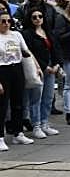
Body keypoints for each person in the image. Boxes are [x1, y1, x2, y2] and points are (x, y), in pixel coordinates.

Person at [21, 9, 60, 139]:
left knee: (48, 97)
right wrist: (44, 66)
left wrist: (57, 64)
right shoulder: (27, 34)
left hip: (51, 68)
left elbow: (55, 49)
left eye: (40, 16)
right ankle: (36, 125)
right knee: (36, 98)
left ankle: (45, 123)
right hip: (37, 69)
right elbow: (30, 52)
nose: (38, 19)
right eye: (34, 17)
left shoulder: (48, 32)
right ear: (30, 19)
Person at [0, 11, 35, 150]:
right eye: (3, 21)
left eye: (9, 21)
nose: (6, 24)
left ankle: (18, 133)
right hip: (2, 70)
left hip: (17, 68)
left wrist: (36, 66)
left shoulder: (16, 35)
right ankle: (0, 137)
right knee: (2, 105)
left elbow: (26, 52)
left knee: (18, 102)